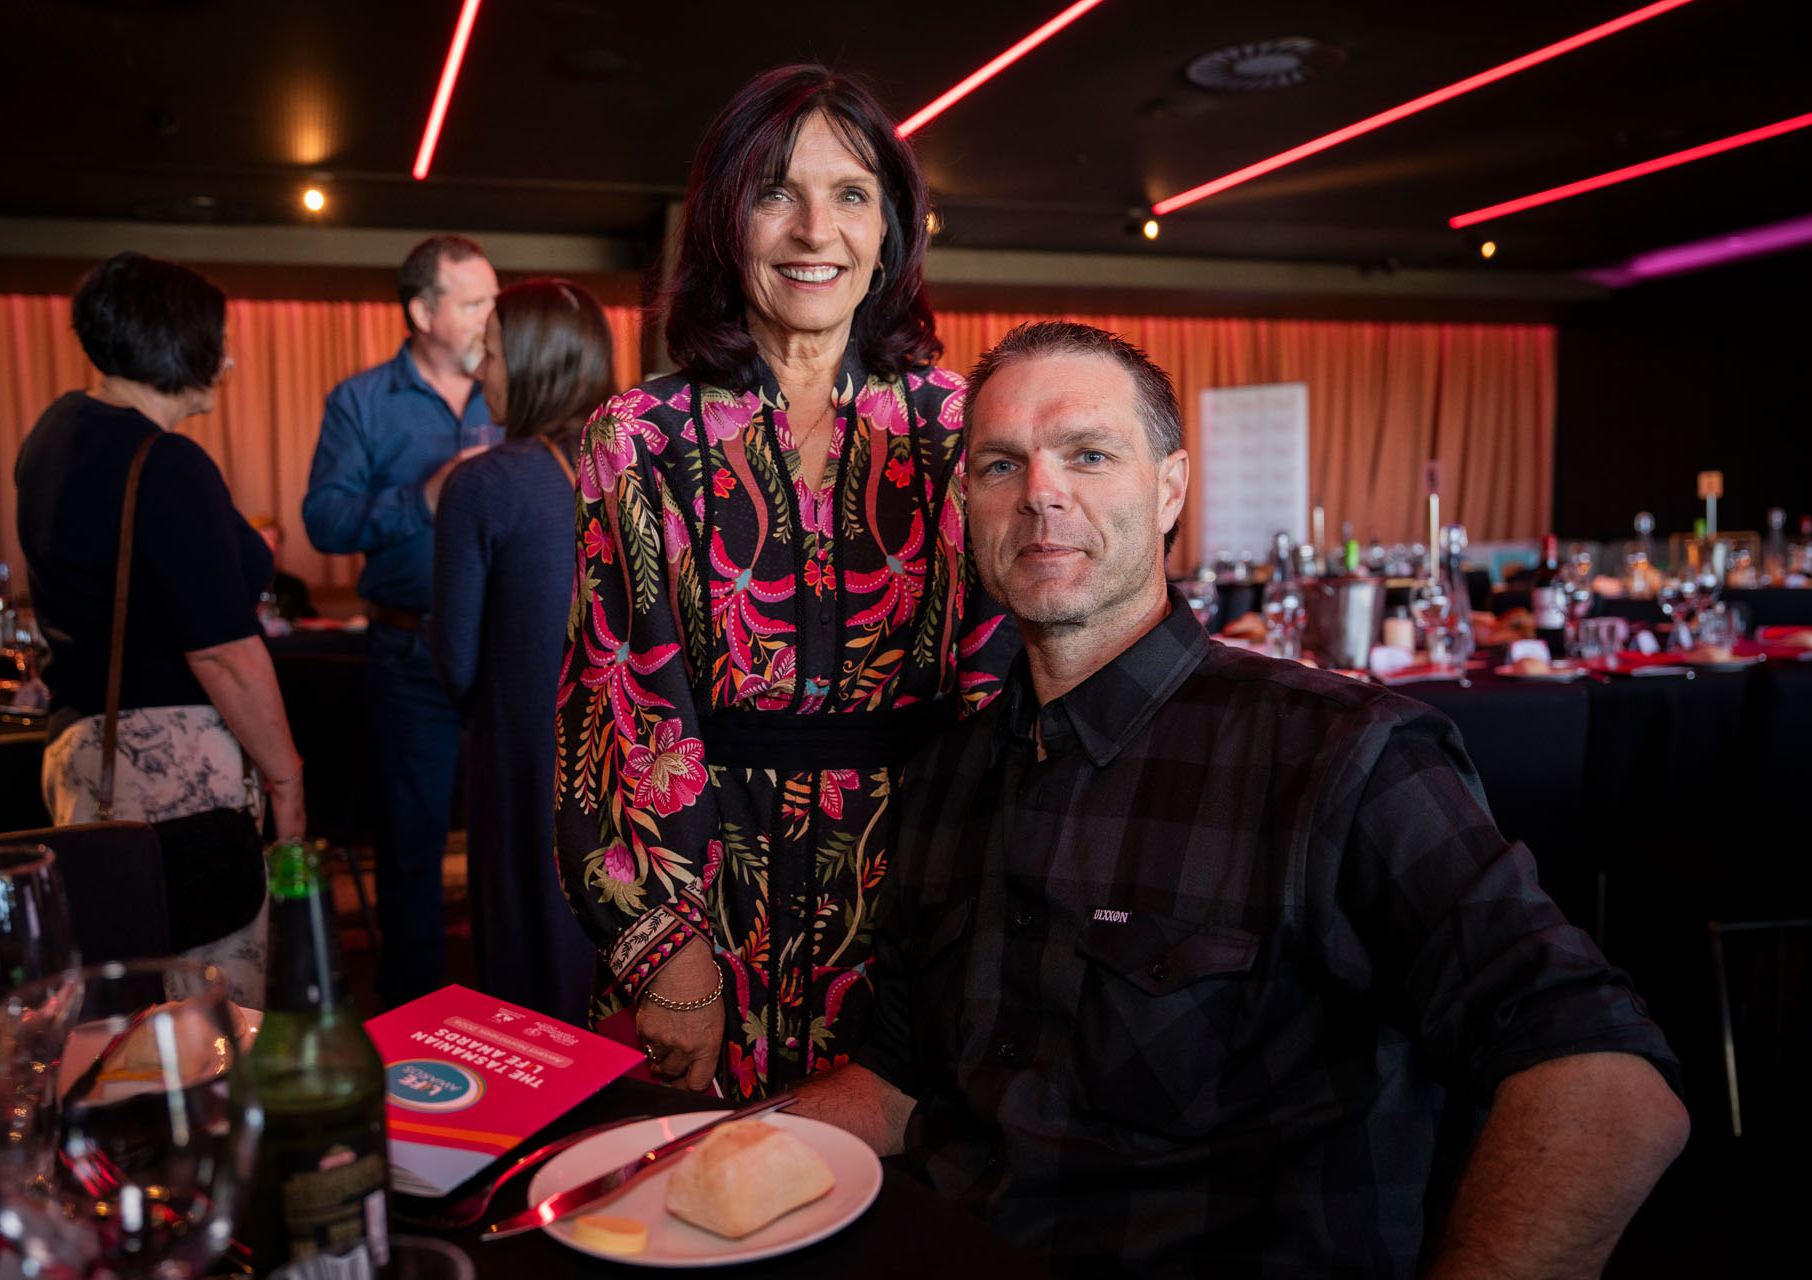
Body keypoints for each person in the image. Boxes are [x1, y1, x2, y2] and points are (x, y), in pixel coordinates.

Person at [796, 322, 1689, 1277]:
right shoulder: (946, 775)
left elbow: (1605, 1082)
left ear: (1170, 488)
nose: (1040, 493)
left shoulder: (1345, 756)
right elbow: (897, 1085)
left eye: (1089, 455)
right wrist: (709, 1152)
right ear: (967, 505)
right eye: (1000, 465)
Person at [554, 65, 1015, 1098]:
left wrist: (982, 920)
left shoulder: (961, 427)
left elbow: (997, 688)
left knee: (902, 1181)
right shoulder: (639, 434)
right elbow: (616, 705)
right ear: (726, 224)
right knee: (699, 1176)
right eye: (776, 193)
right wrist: (666, 949)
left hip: (915, 900)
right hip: (702, 892)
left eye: (851, 194)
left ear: (891, 231)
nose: (816, 231)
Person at [17, 251, 304, 1005]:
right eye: (219, 340)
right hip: (169, 772)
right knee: (203, 1014)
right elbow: (223, 654)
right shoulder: (165, 462)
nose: (229, 360)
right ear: (177, 342)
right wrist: (286, 778)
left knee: (118, 1006)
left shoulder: (54, 435)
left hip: (82, 750)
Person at [302, 233, 496, 1006]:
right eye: (474, 303)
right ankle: (410, 1018)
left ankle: (517, 1016)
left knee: (513, 835)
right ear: (422, 311)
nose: (490, 317)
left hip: (503, 649)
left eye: (492, 301)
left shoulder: (510, 388)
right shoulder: (360, 401)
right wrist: (424, 496)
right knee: (412, 846)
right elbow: (324, 522)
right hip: (409, 648)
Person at [431, 279, 615, 1023]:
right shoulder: (646, 467)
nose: (481, 371)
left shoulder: (483, 483)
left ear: (535, 363)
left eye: (493, 353)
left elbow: (456, 664)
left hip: (526, 766)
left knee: (531, 997)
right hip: (643, 769)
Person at [248, 515, 317, 621]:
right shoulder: (238, 585)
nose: (272, 547)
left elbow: (307, 620)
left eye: (276, 541)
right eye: (265, 541)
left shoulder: (293, 587)